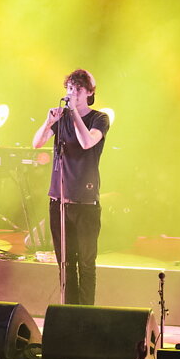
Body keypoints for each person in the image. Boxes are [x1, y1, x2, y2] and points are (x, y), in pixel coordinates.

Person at [32, 69, 110, 305]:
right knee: (65, 263)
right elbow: (36, 144)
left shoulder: (99, 118)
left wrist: (74, 113)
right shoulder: (62, 119)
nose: (72, 94)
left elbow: (87, 142)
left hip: (85, 203)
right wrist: (48, 122)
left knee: (86, 263)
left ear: (89, 92)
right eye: (69, 89)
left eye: (77, 89)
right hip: (59, 201)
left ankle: (86, 314)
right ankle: (69, 311)